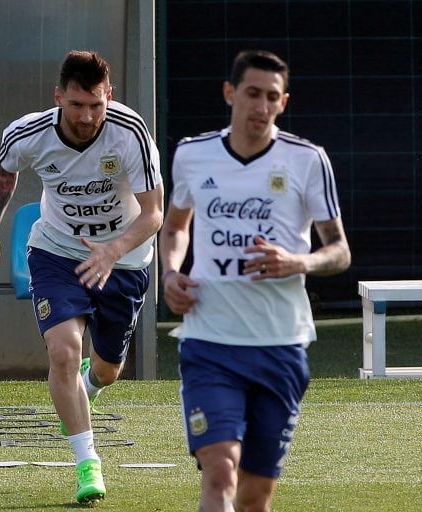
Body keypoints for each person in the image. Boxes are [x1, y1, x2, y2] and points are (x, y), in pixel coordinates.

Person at [160, 49, 351, 511]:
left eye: (272, 97)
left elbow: (340, 251)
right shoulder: (193, 153)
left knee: (255, 495)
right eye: (252, 94)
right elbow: (175, 226)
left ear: (284, 102)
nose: (261, 107)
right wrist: (169, 272)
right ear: (230, 94)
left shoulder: (307, 160)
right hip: (210, 341)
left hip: (280, 345)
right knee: (220, 471)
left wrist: (296, 261)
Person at [0, 50, 163, 505]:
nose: (87, 116)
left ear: (109, 97)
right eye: (77, 105)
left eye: (96, 105)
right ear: (59, 97)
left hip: (125, 260)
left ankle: (91, 385)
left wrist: (113, 250)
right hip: (56, 250)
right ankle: (87, 463)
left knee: (108, 369)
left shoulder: (131, 133)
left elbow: (154, 213)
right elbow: (4, 175)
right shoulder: (27, 134)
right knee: (63, 351)